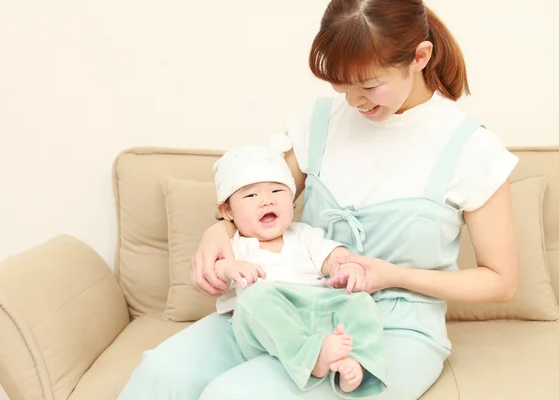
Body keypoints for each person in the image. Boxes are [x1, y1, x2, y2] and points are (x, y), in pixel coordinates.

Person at [117, 0, 519, 399]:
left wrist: (394, 275)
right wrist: (217, 231)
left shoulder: (471, 149)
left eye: (369, 85)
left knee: (236, 394)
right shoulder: (320, 122)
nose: (356, 102)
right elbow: (262, 199)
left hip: (388, 330)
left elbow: (501, 282)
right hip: (287, 307)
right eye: (342, 87)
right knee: (159, 376)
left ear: (420, 56)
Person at [211, 143, 387, 397]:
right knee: (253, 298)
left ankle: (355, 363)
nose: (267, 200)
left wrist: (347, 267)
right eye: (251, 196)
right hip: (272, 327)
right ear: (227, 210)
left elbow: (331, 257)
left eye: (277, 191)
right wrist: (230, 267)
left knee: (360, 301)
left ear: (292, 201)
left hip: (317, 310)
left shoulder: (303, 234)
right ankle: (312, 356)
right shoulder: (234, 247)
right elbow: (216, 272)